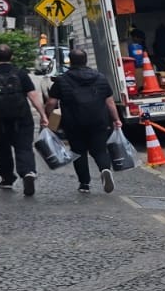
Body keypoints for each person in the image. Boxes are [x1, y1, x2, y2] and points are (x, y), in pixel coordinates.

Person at [0, 42, 48, 196]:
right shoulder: (20, 73)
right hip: (22, 116)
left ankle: (7, 178)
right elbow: (32, 95)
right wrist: (43, 114)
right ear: (12, 57)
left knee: (1, 147)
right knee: (24, 146)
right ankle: (27, 172)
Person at [48, 47, 123, 194]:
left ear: (69, 61)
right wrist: (116, 119)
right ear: (86, 60)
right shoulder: (100, 77)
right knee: (100, 150)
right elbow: (109, 102)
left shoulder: (62, 80)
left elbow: (51, 102)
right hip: (98, 121)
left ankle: (84, 184)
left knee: (78, 152)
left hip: (73, 122)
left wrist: (48, 118)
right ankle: (105, 169)